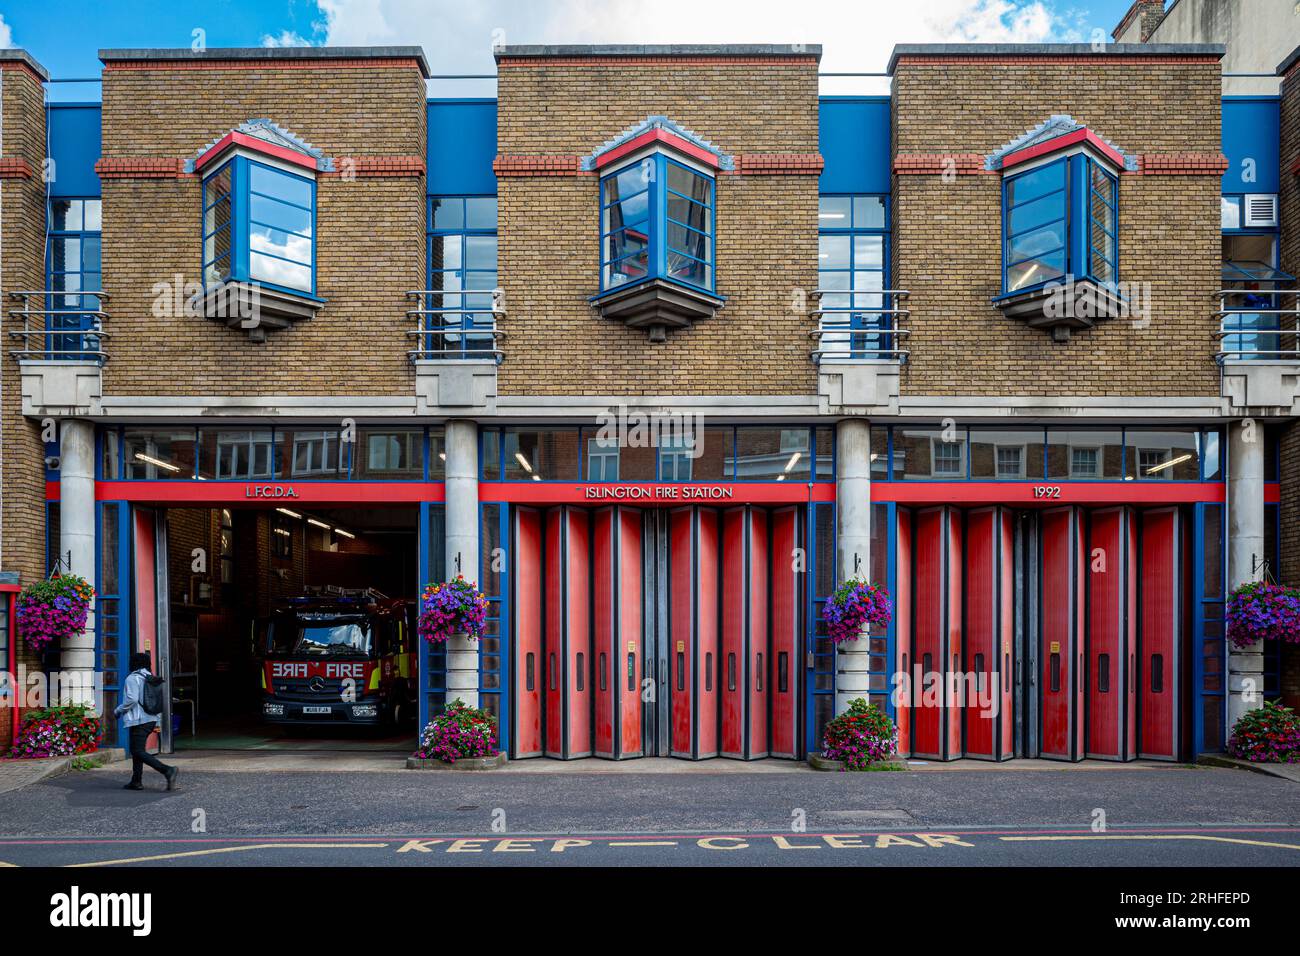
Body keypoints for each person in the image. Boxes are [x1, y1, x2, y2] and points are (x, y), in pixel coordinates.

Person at [115, 653, 179, 792]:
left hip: (139, 720)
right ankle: (136, 781)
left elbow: (131, 700)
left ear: (133, 663)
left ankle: (167, 770)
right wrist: (158, 721)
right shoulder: (150, 677)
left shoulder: (133, 678)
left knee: (137, 750)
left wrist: (118, 710)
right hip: (151, 718)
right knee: (138, 750)